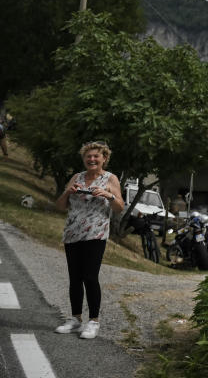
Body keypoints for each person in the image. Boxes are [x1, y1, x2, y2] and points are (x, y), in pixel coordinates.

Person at [53, 140, 124, 339]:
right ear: (84, 159)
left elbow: (119, 208)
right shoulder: (77, 177)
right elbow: (60, 206)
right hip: (73, 233)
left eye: (96, 156)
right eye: (88, 156)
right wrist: (68, 191)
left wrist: (108, 195)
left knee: (90, 277)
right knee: (75, 278)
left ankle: (93, 322)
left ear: (104, 158)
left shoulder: (110, 179)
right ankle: (75, 319)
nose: (92, 159)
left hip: (96, 234)